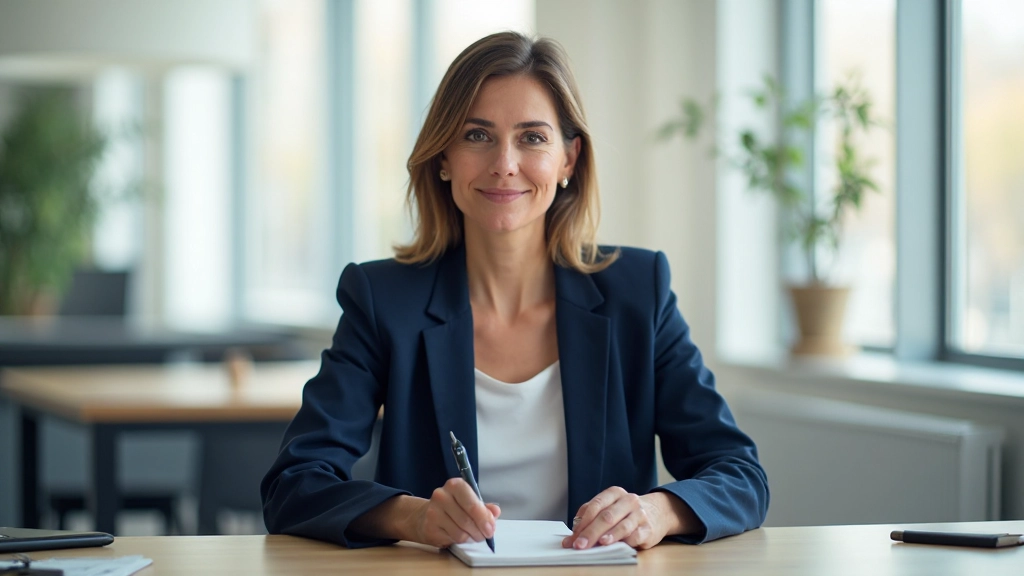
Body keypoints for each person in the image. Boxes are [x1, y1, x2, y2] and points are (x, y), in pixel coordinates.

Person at [261, 31, 768, 551]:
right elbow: (294, 484)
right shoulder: (383, 299)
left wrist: (656, 510)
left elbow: (740, 476)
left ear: (568, 160)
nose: (505, 163)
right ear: (443, 158)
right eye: (477, 136)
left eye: (532, 137)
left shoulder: (638, 292)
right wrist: (411, 518)